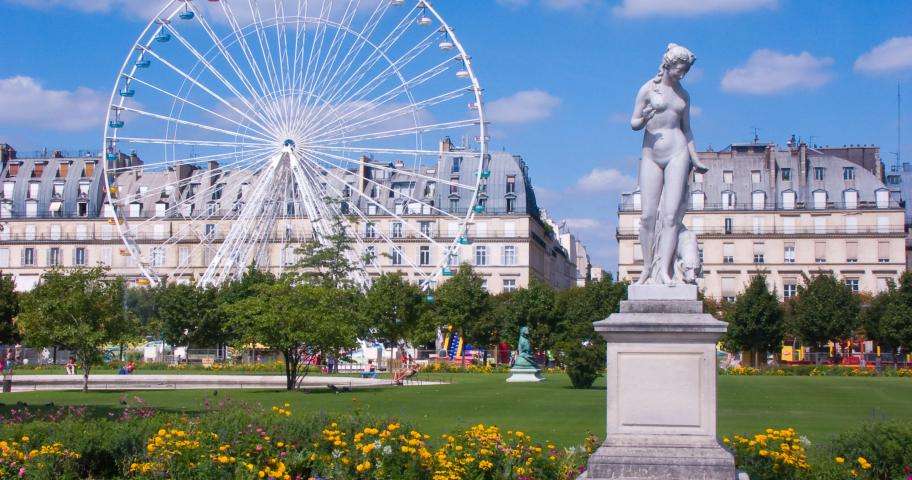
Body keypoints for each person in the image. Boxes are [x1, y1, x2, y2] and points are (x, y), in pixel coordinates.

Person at [630, 43, 706, 285]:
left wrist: (696, 158)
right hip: (651, 154)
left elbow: (687, 130)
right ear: (668, 65)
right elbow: (633, 123)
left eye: (685, 71)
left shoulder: (684, 95)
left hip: (678, 152)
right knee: (647, 217)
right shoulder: (647, 89)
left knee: (672, 216)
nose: (682, 75)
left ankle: (664, 270)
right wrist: (645, 117)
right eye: (680, 70)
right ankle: (646, 268)